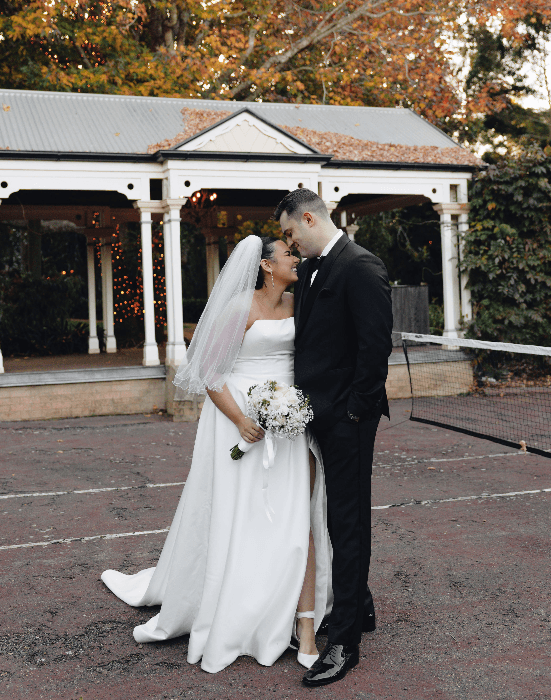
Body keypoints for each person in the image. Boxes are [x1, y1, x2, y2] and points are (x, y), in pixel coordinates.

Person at [101, 235, 332, 674]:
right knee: (243, 519)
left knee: (298, 519)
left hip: (291, 421)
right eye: (288, 254)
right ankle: (237, 606)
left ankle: (303, 625)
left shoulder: (299, 304)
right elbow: (207, 370)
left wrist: (293, 408)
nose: (296, 259)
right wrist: (242, 420)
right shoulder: (239, 308)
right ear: (266, 265)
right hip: (242, 419)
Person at [274, 188, 393, 688]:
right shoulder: (313, 269)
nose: (289, 243)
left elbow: (375, 349)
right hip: (315, 416)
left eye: (289, 233)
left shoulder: (361, 266)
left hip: (347, 421)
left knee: (346, 522)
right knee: (332, 516)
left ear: (308, 218)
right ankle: (359, 605)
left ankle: (344, 640)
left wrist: (350, 413)